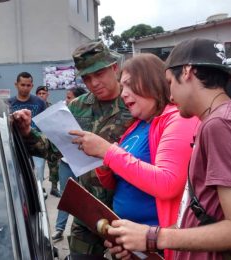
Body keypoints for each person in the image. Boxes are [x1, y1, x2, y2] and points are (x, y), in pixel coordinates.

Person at [105, 38, 231, 259]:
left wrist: (153, 237)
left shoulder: (221, 125)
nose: (170, 96)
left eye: (170, 82)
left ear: (188, 72)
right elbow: (206, 212)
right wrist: (142, 239)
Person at [70, 53, 198, 259]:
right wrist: (104, 168)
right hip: (137, 245)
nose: (123, 93)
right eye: (123, 86)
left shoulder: (177, 119)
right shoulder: (138, 124)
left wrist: (107, 151)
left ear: (151, 82)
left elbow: (167, 183)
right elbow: (124, 181)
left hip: (162, 243)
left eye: (129, 85)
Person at [13, 39, 134, 256]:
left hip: (128, 215)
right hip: (88, 213)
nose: (93, 82)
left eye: (99, 74)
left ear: (114, 68)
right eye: (87, 78)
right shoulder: (77, 107)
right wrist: (27, 133)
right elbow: (53, 149)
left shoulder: (135, 101)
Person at [52, 86, 88, 242]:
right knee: (65, 195)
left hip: (85, 164)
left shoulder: (88, 115)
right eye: (66, 97)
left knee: (84, 197)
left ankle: (83, 229)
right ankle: (59, 228)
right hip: (66, 163)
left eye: (69, 97)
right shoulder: (63, 115)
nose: (66, 101)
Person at [8, 72, 47, 184]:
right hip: (17, 145)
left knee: (38, 174)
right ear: (16, 85)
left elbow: (45, 123)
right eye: (22, 85)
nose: (25, 88)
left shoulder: (40, 102)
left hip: (36, 143)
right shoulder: (9, 103)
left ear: (32, 86)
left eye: (28, 85)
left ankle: (39, 194)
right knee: (18, 176)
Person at [35, 85, 61, 198]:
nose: (41, 95)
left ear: (47, 95)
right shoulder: (34, 107)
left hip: (51, 141)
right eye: (39, 93)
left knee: (54, 165)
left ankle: (54, 188)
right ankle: (40, 188)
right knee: (38, 167)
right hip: (37, 140)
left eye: (43, 93)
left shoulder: (51, 107)